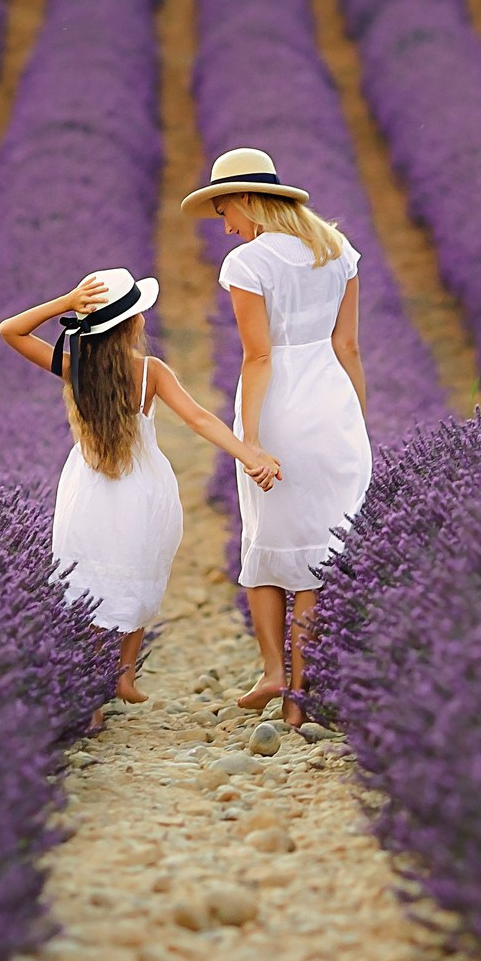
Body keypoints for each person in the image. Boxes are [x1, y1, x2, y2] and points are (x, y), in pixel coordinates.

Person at [0, 268, 281, 719]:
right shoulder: (150, 371)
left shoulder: (75, 367)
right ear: (133, 323)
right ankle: (124, 674)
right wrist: (248, 454)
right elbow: (200, 420)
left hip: (89, 486)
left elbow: (9, 330)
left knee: (88, 578)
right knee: (139, 567)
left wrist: (65, 302)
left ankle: (91, 688)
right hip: (143, 485)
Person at [182, 149, 371, 729]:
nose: (224, 223)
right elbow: (349, 348)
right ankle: (298, 695)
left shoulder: (248, 262)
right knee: (318, 551)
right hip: (332, 409)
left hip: (279, 408)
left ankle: (271, 671)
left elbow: (259, 356)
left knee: (267, 543)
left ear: (244, 199)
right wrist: (356, 421)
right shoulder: (338, 251)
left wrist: (253, 441)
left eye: (222, 209)